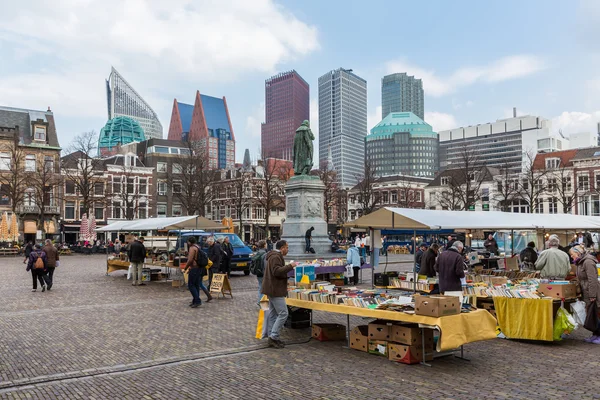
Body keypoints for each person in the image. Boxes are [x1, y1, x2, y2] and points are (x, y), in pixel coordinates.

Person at [262, 240, 296, 349]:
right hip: (275, 289)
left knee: (273, 313)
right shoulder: (276, 257)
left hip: (271, 288)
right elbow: (276, 271)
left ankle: (272, 336)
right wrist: (290, 266)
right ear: (282, 248)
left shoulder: (273, 256)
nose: (287, 249)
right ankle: (273, 336)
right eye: (287, 247)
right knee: (283, 313)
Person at [569, 245, 600, 343]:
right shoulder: (581, 262)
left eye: (572, 255)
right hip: (586, 291)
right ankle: (595, 334)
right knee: (592, 314)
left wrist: (592, 295)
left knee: (595, 314)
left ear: (578, 253)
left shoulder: (588, 262)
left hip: (592, 291)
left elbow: (592, 279)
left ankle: (598, 335)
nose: (571, 257)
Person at [183, 236, 212, 308]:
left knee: (191, 285)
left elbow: (190, 260)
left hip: (194, 268)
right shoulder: (198, 246)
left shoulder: (192, 248)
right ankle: (195, 300)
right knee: (196, 285)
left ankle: (197, 300)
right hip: (200, 268)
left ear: (189, 242)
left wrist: (185, 268)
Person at [251, 240, 268, 305]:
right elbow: (265, 264)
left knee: (260, 287)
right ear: (264, 245)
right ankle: (261, 301)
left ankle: (259, 301)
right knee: (263, 288)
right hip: (263, 273)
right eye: (266, 244)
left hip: (258, 272)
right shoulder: (264, 253)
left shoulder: (257, 253)